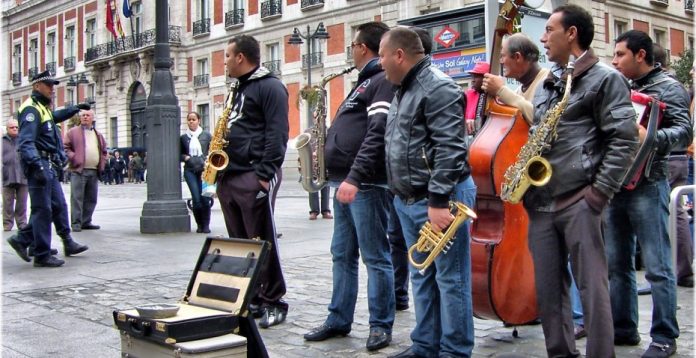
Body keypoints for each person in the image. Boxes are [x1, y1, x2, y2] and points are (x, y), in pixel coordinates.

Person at [522, 5, 639, 357]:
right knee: (547, 290)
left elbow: (624, 139)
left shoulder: (606, 78)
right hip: (541, 200)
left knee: (592, 289)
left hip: (580, 199)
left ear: (571, 34)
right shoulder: (548, 81)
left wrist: (598, 193)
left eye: (549, 30)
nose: (542, 38)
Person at [380, 27, 476, 357]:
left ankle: (454, 350)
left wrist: (437, 201)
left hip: (438, 200)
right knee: (422, 275)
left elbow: (451, 148)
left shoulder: (438, 87)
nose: (379, 63)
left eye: (381, 55)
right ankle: (425, 345)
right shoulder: (404, 89)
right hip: (410, 198)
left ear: (399, 55)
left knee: (452, 280)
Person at [303, 21, 395, 352]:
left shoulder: (381, 80)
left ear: (362, 48)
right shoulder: (362, 83)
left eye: (352, 45)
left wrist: (355, 177)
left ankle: (380, 324)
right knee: (342, 253)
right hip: (343, 180)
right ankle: (338, 318)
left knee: (375, 255)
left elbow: (377, 130)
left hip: (365, 183)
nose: (350, 51)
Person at [609, 29, 692, 357]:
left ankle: (664, 336)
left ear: (640, 55)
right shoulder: (620, 87)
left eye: (620, 55)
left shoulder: (669, 88)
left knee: (657, 266)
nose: (614, 61)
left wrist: (650, 136)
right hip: (617, 184)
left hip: (650, 184)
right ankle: (624, 328)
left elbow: (684, 134)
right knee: (617, 263)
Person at [217, 34, 289, 329]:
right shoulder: (237, 88)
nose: (224, 62)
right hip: (229, 175)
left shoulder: (270, 87)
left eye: (227, 56)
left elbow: (277, 133)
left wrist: (263, 175)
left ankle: (274, 300)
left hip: (252, 175)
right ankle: (254, 297)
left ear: (240, 58)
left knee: (262, 240)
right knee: (240, 243)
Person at [6, 70, 89, 267]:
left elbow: (53, 118)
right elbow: (26, 142)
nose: (52, 89)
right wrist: (36, 165)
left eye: (53, 86)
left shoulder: (41, 108)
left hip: (47, 163)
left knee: (57, 206)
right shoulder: (31, 110)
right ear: (37, 86)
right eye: (49, 85)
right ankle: (40, 253)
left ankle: (28, 242)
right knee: (42, 209)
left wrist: (74, 109)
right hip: (39, 163)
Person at [481, 33, 550, 123]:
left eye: (503, 56)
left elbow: (542, 120)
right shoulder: (519, 91)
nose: (501, 61)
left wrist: (501, 90)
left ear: (517, 57)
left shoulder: (549, 80)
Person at [64, 109, 107, 232]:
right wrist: (74, 157)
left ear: (92, 118)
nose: (85, 117)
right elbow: (65, 147)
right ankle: (76, 223)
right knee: (77, 197)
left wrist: (102, 163)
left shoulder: (98, 134)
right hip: (78, 170)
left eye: (88, 115)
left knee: (91, 198)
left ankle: (86, 221)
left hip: (93, 170)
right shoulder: (72, 132)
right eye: (83, 115)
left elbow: (104, 150)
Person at [180, 111, 212, 233]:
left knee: (205, 199)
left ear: (199, 120)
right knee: (196, 199)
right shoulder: (183, 138)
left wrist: (207, 159)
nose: (191, 122)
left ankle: (206, 226)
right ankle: (199, 224)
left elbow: (214, 150)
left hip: (205, 171)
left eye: (194, 119)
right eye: (189, 120)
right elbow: (179, 153)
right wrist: (186, 158)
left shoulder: (207, 135)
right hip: (190, 171)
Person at [3, 119, 28, 231]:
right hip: (7, 176)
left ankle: (22, 223)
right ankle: (7, 224)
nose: (15, 129)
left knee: (22, 202)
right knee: (7, 202)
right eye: (12, 127)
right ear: (7, 129)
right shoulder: (2, 141)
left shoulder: (23, 140)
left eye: (16, 127)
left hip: (23, 175)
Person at [464, 61, 490, 135]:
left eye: (476, 76)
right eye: (472, 76)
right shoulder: (467, 95)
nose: (473, 80)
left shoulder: (496, 97)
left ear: (486, 78)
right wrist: (466, 122)